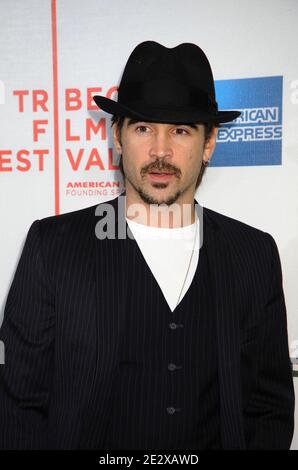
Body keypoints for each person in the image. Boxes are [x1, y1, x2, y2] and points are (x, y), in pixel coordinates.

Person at [0, 41, 294, 450]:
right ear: (117, 138)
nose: (160, 151)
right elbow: (20, 406)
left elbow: (269, 408)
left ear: (209, 144)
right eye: (143, 128)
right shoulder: (53, 247)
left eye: (180, 130)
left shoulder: (253, 254)